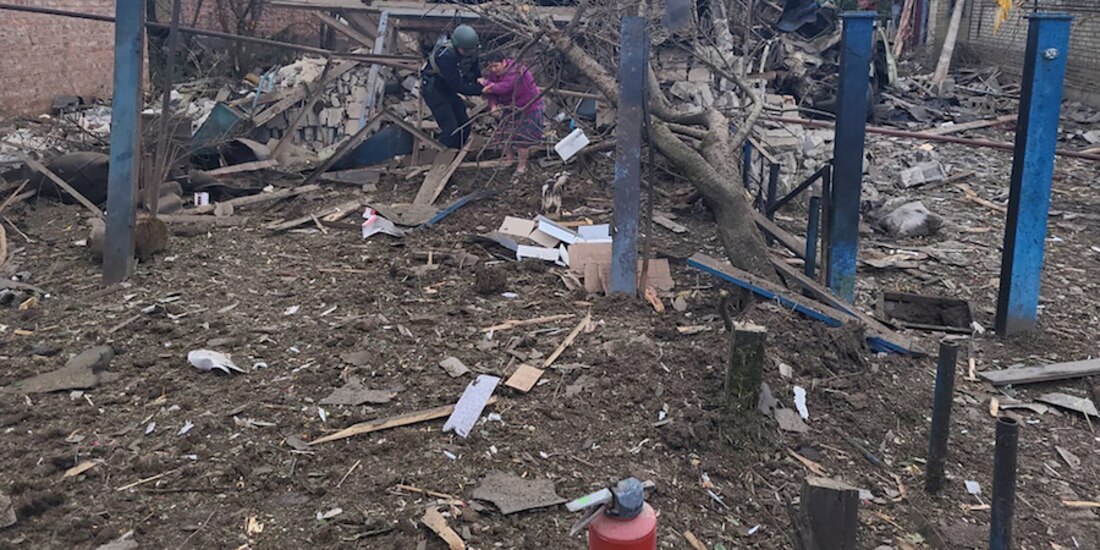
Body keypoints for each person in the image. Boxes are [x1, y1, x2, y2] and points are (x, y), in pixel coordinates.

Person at [479, 51, 543, 175]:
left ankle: (521, 166)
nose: (493, 69)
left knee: (522, 139)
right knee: (503, 134)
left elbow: (505, 87)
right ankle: (509, 159)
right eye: (490, 67)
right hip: (510, 108)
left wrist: (486, 84)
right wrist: (493, 106)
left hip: (528, 106)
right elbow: (492, 93)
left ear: (504, 62)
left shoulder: (517, 70)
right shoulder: (494, 74)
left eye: (496, 66)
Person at [421, 25, 483, 149]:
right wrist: (480, 90)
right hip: (435, 90)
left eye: (469, 50)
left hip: (448, 89)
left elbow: (474, 72)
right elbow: (457, 86)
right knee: (450, 127)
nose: (467, 53)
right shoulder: (445, 56)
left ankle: (456, 151)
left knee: (464, 125)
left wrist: (481, 82)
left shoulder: (473, 52)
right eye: (464, 51)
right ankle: (442, 157)